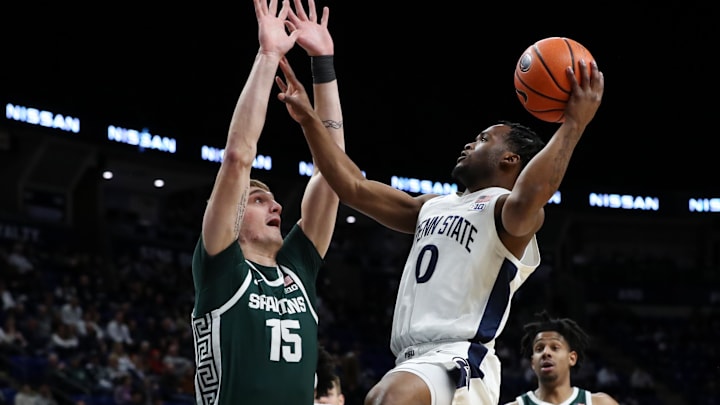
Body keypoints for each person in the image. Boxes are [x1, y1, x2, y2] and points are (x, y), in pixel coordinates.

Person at [276, 48, 604, 404]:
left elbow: (531, 194)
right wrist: (309, 119)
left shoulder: (509, 214)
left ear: (511, 160)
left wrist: (573, 125)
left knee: (385, 398)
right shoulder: (431, 205)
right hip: (412, 359)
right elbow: (352, 186)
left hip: (459, 360)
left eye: (483, 139)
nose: (469, 143)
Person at [190, 0, 345, 403]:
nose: (277, 207)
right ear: (233, 216)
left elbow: (333, 175)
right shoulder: (221, 267)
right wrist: (269, 56)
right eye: (260, 200)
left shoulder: (297, 269)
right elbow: (239, 157)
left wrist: (323, 65)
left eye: (273, 201)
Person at [504, 310, 619, 405]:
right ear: (533, 363)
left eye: (555, 347)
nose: (546, 353)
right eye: (539, 349)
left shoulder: (600, 402)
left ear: (572, 358)